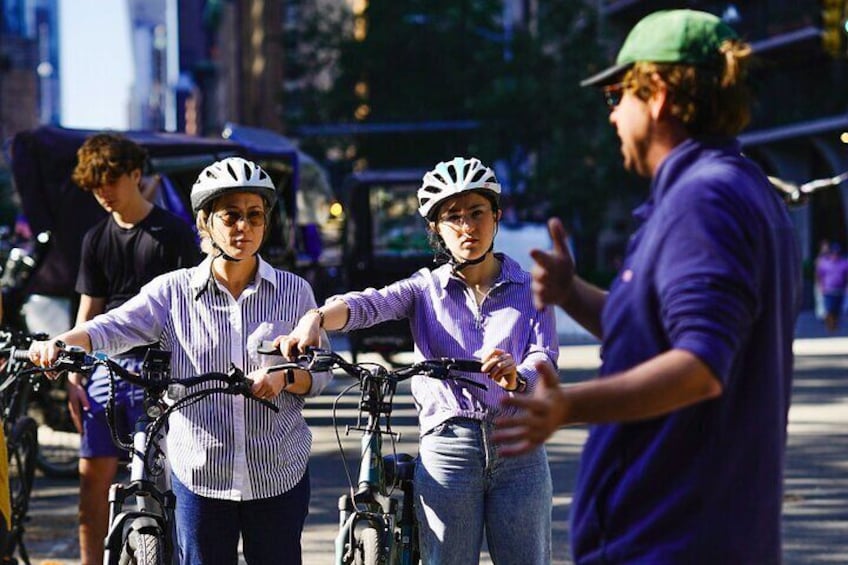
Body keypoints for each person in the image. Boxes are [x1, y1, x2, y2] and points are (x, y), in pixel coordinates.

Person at [493, 10, 802, 564]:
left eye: (617, 95)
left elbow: (700, 366)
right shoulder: (731, 188)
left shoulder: (705, 201)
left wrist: (569, 404)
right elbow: (664, 335)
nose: (611, 116)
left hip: (673, 541)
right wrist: (572, 294)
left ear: (656, 94)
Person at [30, 156, 332, 564]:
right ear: (206, 222)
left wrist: (284, 377)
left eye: (255, 216)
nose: (244, 227)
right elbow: (111, 327)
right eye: (231, 216)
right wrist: (62, 343)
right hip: (201, 476)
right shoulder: (172, 293)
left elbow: (321, 370)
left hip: (278, 471)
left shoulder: (295, 293)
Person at [279, 156, 559, 564]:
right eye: (453, 216)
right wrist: (316, 318)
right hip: (449, 449)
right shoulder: (424, 289)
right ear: (436, 229)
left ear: (496, 216)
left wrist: (518, 377)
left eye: (477, 212)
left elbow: (545, 360)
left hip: (520, 446)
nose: (467, 227)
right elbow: (368, 305)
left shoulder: (532, 289)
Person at [64, 133, 200, 564]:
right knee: (93, 481)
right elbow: (90, 309)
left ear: (136, 175)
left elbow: (194, 309)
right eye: (94, 184)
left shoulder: (173, 234)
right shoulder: (96, 239)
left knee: (168, 485)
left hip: (161, 369)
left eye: (110, 180)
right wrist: (74, 374)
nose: (102, 191)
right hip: (106, 369)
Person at [815, 241, 848, 331]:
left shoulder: (844, 263)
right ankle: (830, 326)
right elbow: (819, 275)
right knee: (829, 309)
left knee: (837, 310)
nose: (835, 255)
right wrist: (820, 286)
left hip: (840, 290)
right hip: (828, 290)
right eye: (833, 253)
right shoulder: (824, 262)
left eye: (837, 253)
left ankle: (835, 325)